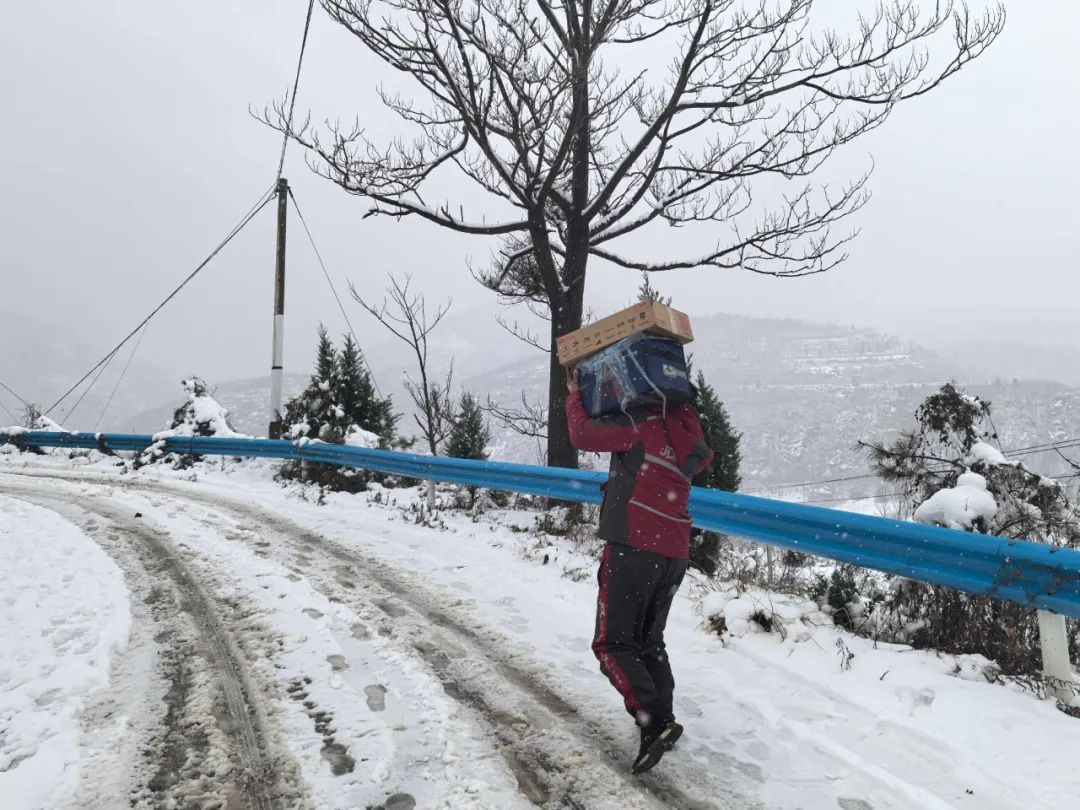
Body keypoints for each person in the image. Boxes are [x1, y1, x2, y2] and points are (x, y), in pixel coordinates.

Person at [565, 366, 713, 775]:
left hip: (634, 544)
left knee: (612, 644)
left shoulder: (637, 424)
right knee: (649, 640)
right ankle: (663, 717)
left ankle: (655, 722)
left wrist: (576, 394)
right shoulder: (683, 434)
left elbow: (582, 435)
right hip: (674, 553)